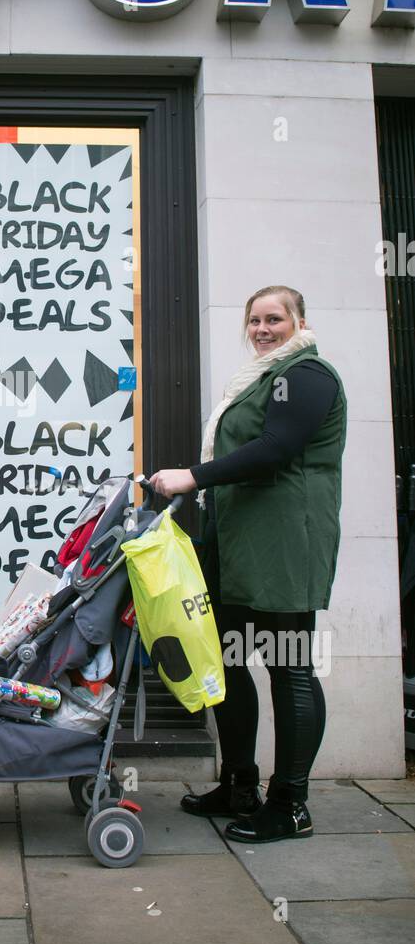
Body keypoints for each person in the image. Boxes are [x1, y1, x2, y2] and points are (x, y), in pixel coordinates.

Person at [149, 286, 346, 844]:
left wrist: (192, 477)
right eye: (254, 320)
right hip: (237, 543)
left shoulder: (307, 375)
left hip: (284, 544)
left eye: (274, 319)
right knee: (228, 660)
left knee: (289, 668)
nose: (262, 329)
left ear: (299, 320)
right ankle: (239, 785)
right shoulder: (262, 379)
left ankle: (290, 805)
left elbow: (275, 447)